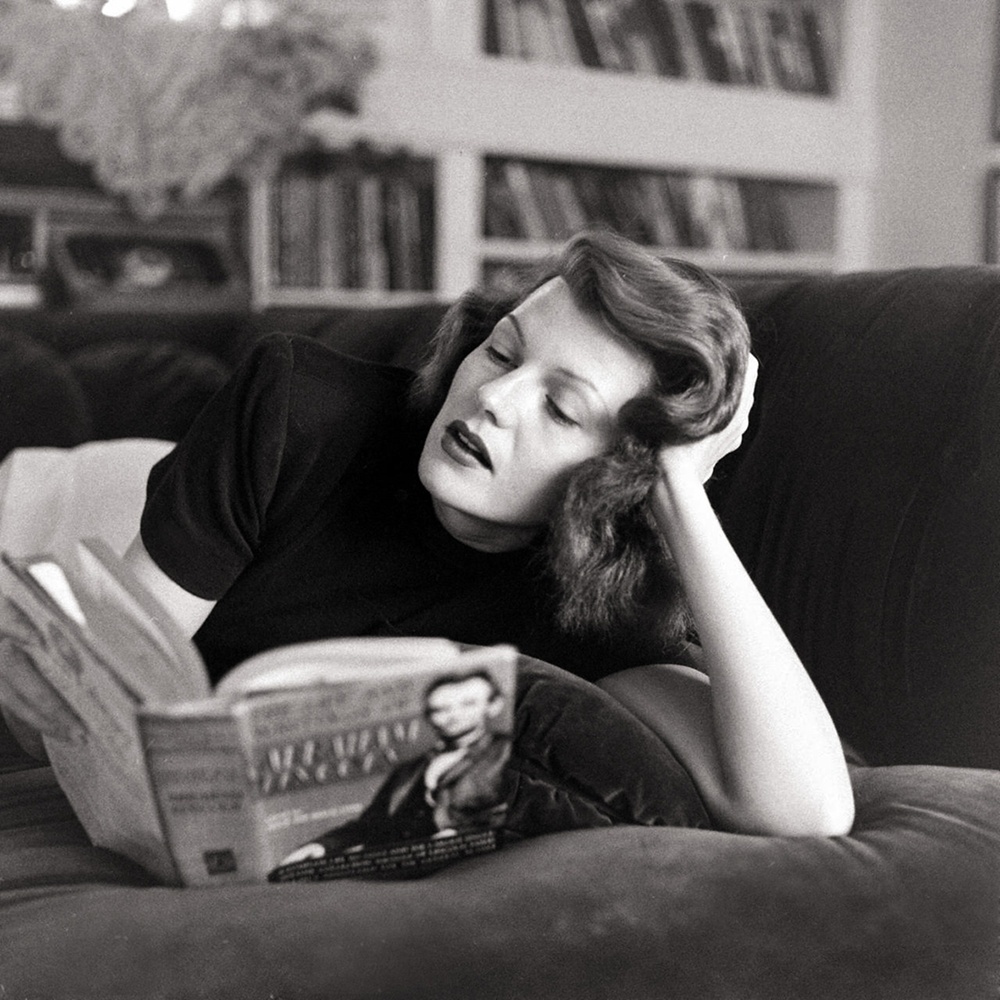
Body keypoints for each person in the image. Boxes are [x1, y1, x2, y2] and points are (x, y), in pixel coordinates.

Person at [3, 230, 854, 838]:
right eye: (503, 352)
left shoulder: (602, 609)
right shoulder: (298, 408)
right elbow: (104, 704)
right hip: (63, 510)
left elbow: (808, 807)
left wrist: (678, 487)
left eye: (561, 409)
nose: (494, 400)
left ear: (617, 474)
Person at [281, 670, 511, 866]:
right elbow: (371, 824)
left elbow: (517, 812)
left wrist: (462, 835)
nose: (453, 716)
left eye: (468, 704)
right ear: (428, 716)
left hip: (465, 866)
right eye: (440, 709)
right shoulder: (410, 769)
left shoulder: (507, 752)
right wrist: (321, 846)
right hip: (398, 866)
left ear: (494, 705)